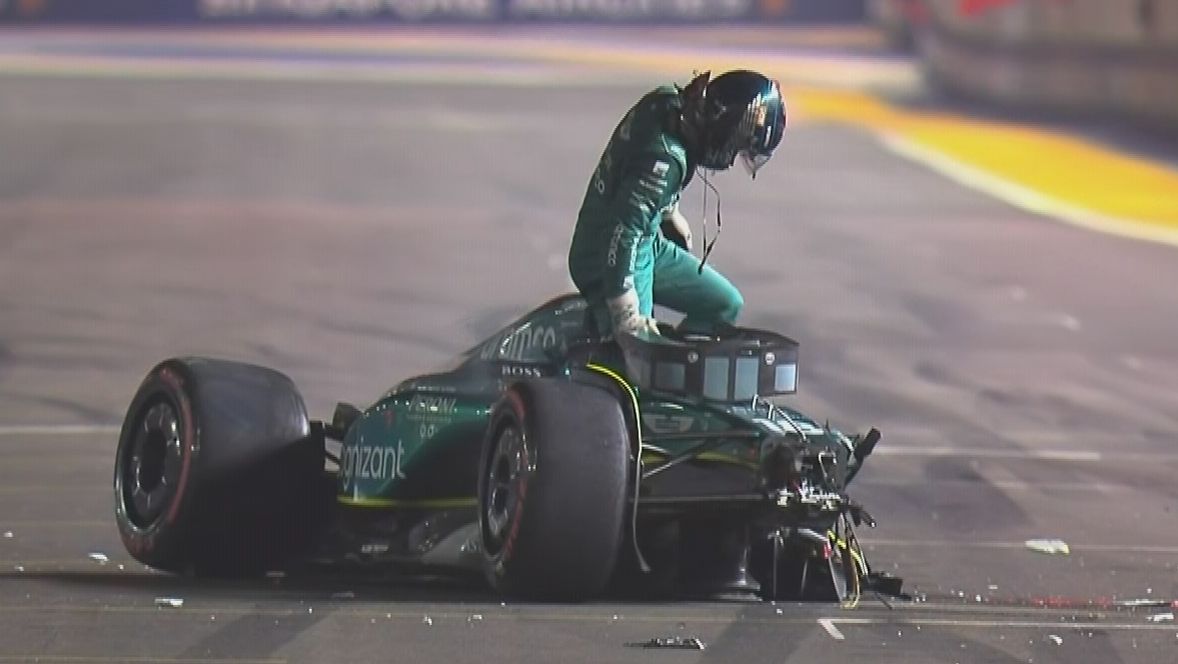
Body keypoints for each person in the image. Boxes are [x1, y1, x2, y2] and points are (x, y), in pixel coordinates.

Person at [567, 69, 787, 339]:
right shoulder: (666, 160)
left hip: (641, 243)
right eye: (735, 146)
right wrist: (624, 310)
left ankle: (676, 363)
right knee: (637, 352)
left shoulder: (668, 103)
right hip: (607, 254)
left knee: (725, 305)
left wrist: (668, 212)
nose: (729, 159)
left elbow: (634, 169)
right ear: (724, 128)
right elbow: (623, 232)